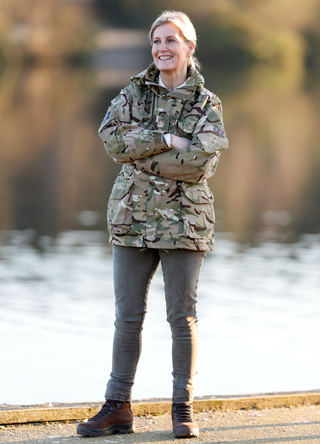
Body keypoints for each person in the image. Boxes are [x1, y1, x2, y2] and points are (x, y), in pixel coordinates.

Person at [77, 10, 228, 439]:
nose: (162, 48)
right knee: (127, 317)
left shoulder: (207, 104)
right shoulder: (133, 94)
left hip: (186, 222)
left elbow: (200, 162)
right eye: (156, 40)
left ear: (189, 48)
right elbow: (110, 139)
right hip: (131, 218)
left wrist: (139, 155)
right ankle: (117, 407)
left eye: (171, 40)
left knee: (182, 317)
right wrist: (165, 140)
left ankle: (183, 410)